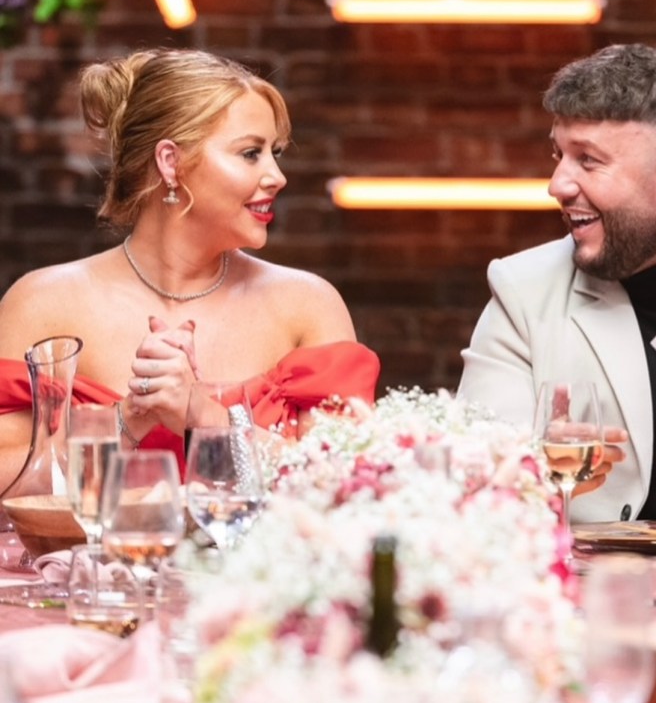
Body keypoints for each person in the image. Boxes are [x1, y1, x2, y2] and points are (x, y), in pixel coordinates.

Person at [0, 48, 380, 488]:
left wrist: (202, 413)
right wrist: (127, 419)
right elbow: (6, 486)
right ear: (170, 161)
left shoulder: (308, 305)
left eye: (273, 152)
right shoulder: (42, 302)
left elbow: (346, 485)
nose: (277, 176)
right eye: (251, 153)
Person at [458, 42, 656, 523]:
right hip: (595, 591)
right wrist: (531, 472)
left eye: (588, 160)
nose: (557, 185)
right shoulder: (523, 292)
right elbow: (470, 487)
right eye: (559, 154)